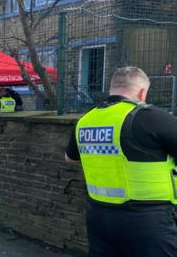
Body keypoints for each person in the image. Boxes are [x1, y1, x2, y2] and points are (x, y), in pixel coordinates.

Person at [65, 66, 177, 257]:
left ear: (112, 88)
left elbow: (70, 158)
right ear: (142, 92)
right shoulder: (152, 118)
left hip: (98, 217)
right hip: (147, 219)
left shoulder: (85, 120)